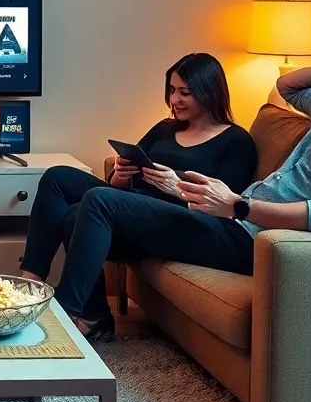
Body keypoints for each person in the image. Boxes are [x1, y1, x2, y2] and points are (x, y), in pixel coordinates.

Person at [53, 27, 311, 338]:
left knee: (101, 200)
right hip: (232, 221)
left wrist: (237, 205)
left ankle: (61, 327)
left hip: (254, 240)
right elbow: (287, 85)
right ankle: (94, 320)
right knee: (74, 214)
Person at [21, 53, 257, 337]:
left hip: (180, 224)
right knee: (58, 176)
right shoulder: (165, 128)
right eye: (171, 90)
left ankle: (64, 317)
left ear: (209, 92)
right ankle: (31, 288)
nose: (175, 100)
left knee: (81, 211)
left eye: (185, 92)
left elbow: (223, 208)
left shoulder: (236, 142)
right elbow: (126, 175)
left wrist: (176, 187)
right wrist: (119, 176)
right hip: (130, 211)